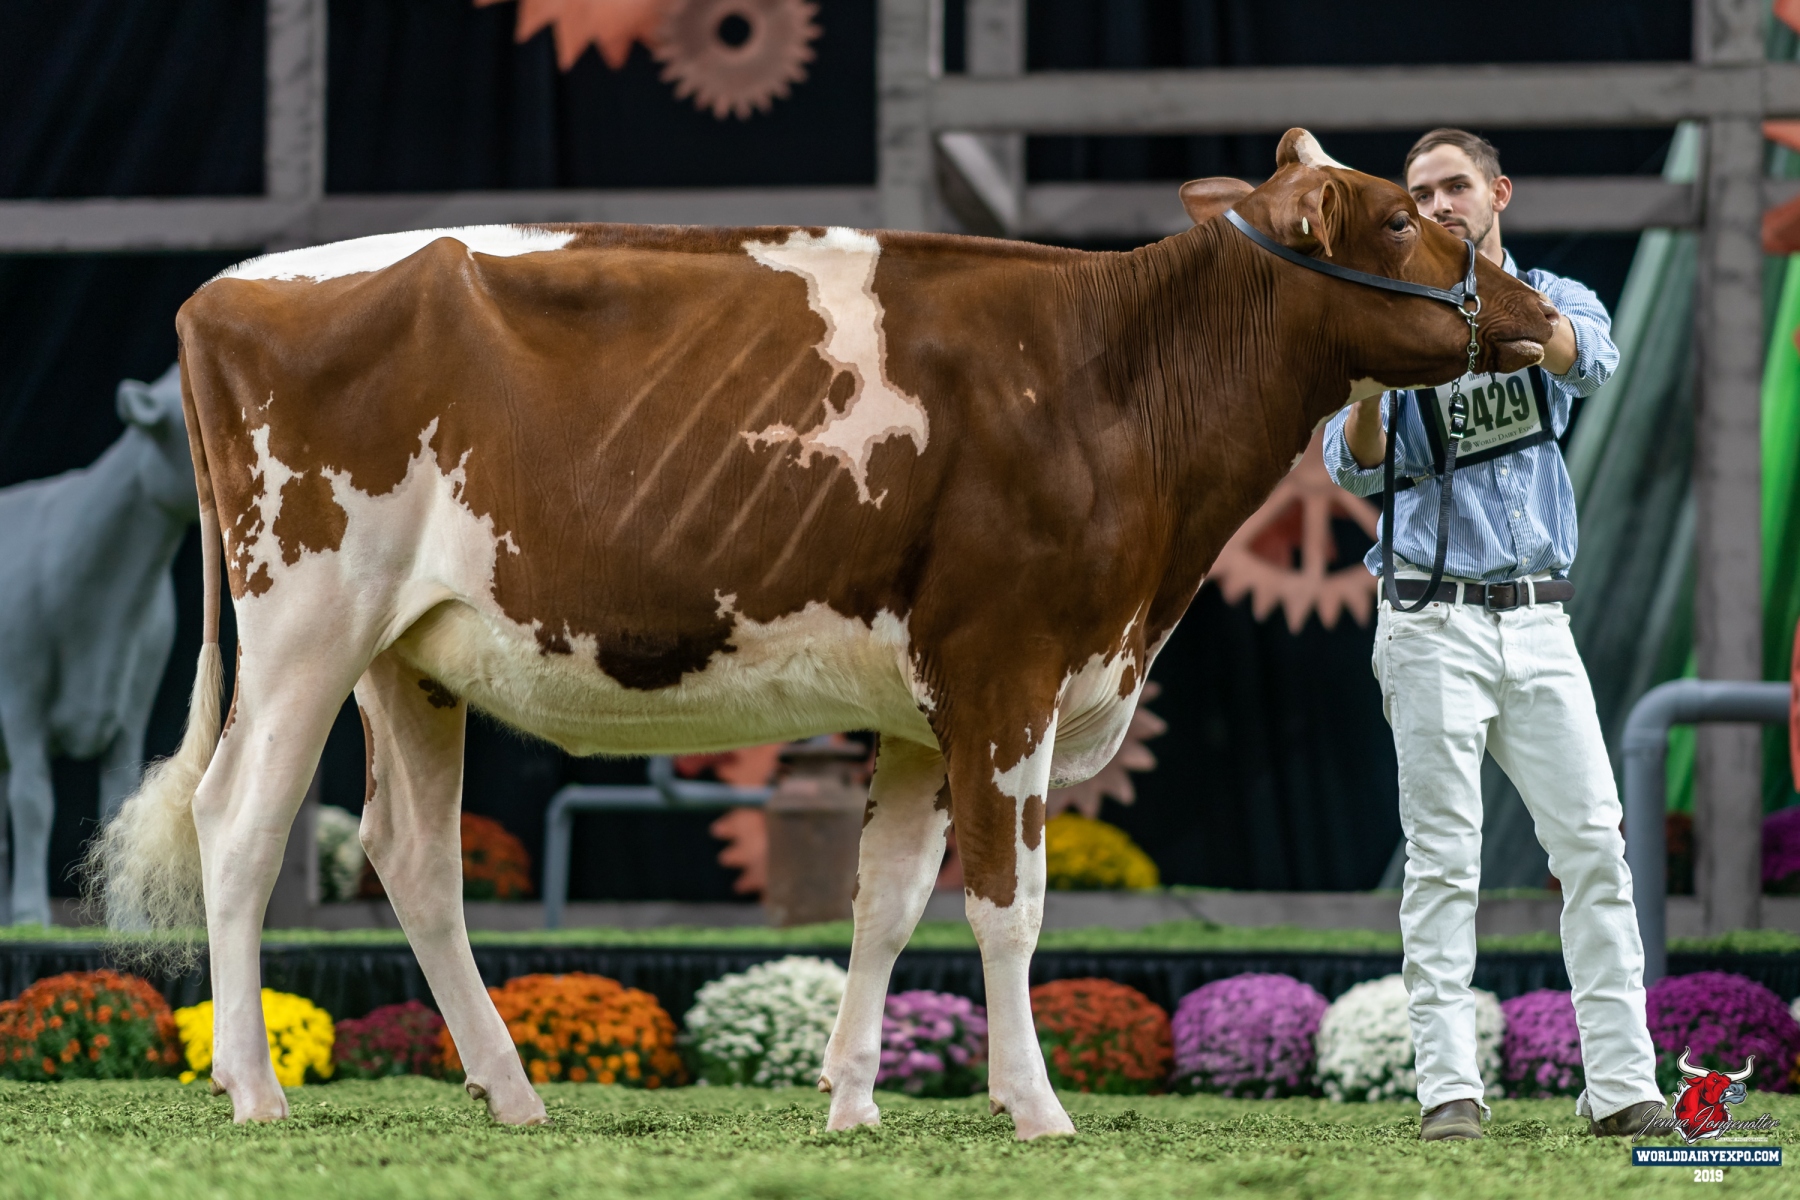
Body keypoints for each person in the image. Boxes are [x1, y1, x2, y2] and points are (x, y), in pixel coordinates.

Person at [1322, 129, 1665, 1142]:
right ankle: (1450, 1093)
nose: (1439, 206)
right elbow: (1352, 464)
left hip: (1541, 615)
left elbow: (1586, 358)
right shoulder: (1388, 317)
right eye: (1421, 194)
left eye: (1454, 187)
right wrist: (1377, 382)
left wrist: (1494, 308)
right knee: (1443, 861)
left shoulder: (1551, 293)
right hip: (1432, 617)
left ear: (1498, 192)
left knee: (1594, 849)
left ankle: (1623, 1088)